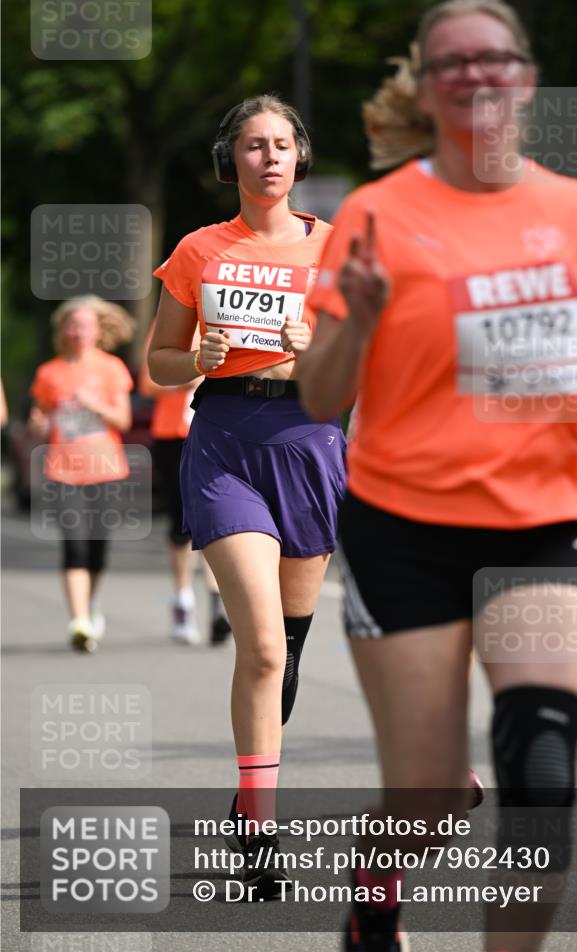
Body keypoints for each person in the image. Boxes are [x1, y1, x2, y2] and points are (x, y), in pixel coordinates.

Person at [298, 0, 577, 952]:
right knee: (422, 791)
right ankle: (375, 892)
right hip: (403, 532)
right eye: (451, 62)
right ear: (425, 88)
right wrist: (366, 318)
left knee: (541, 784)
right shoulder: (377, 215)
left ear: (526, 78)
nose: (475, 74)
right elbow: (316, 396)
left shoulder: (575, 211)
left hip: (541, 527)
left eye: (492, 58)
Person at [148, 94, 347, 896]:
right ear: (230, 159)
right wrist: (198, 354)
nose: (268, 157)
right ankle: (261, 826)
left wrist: (317, 349)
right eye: (253, 145)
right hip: (225, 439)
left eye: (282, 145)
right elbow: (158, 362)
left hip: (309, 443)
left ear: (299, 158)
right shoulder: (200, 248)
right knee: (260, 645)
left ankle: (244, 797)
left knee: (289, 649)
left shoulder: (336, 250)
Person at [29, 296, 136, 653]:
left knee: (97, 552)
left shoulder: (111, 368)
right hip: (63, 471)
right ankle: (78, 621)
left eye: (85, 326)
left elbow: (124, 421)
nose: (77, 332)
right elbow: (41, 420)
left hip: (106, 469)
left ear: (97, 331)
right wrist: (38, 424)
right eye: (72, 325)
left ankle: (88, 607)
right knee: (73, 545)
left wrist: (96, 405)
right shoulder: (49, 373)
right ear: (62, 330)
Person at [139, 322, 231, 646]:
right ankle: (183, 601)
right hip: (174, 434)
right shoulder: (174, 323)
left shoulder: (231, 319)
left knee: (218, 519)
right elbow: (149, 382)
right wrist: (190, 374)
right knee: (181, 522)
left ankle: (219, 605)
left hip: (220, 431)